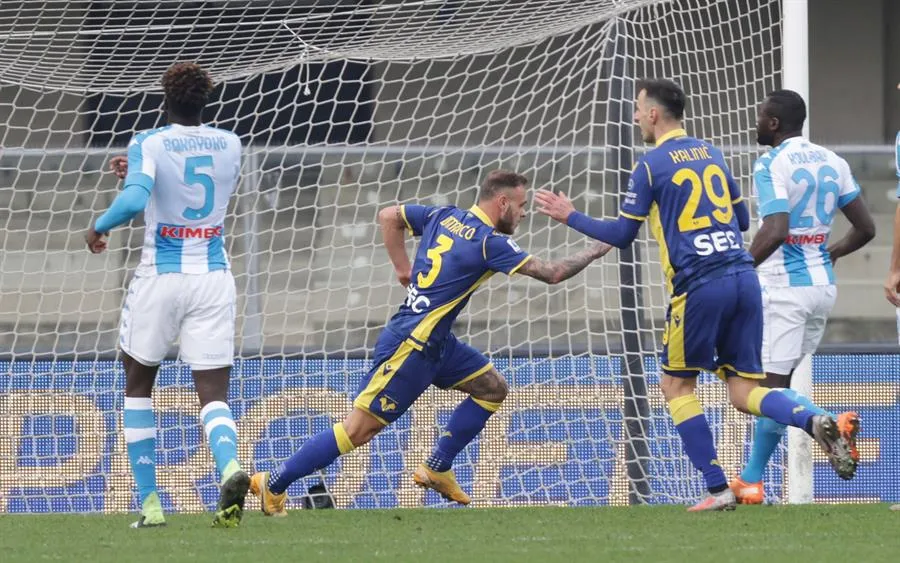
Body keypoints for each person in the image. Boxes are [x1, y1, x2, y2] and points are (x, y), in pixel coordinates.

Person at [535, 78, 857, 511]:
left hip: (699, 285)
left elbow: (622, 234)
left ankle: (717, 489)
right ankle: (811, 418)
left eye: (637, 109)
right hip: (745, 278)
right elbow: (743, 219)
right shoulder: (713, 153)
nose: (634, 117)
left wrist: (570, 215)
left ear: (653, 113)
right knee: (744, 393)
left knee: (675, 385)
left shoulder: (650, 165)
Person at [248, 170, 612, 515]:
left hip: (438, 341)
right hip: (412, 343)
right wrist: (594, 249)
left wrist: (401, 268)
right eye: (521, 207)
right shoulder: (489, 242)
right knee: (359, 429)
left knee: (491, 388)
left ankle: (437, 467)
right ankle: (274, 483)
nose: (523, 215)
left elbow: (389, 215)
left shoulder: (443, 215)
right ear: (502, 203)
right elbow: (553, 273)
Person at [87, 62, 248, 528]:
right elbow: (192, 183)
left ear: (165, 98)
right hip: (214, 276)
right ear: (206, 99)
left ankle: (151, 505)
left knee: (138, 385)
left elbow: (138, 201)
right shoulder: (231, 143)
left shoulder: (148, 141)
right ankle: (231, 467)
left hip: (161, 275)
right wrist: (137, 171)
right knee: (213, 393)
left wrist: (98, 225)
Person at [730, 90, 873, 504]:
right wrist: (830, 251)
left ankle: (831, 423)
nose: (756, 123)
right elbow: (866, 229)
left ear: (773, 123)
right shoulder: (834, 160)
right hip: (821, 287)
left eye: (760, 117)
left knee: (765, 392)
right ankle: (752, 482)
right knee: (779, 384)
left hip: (783, 288)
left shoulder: (771, 163)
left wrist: (736, 268)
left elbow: (774, 231)